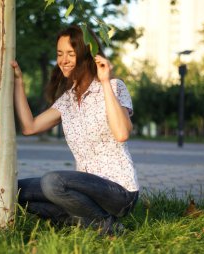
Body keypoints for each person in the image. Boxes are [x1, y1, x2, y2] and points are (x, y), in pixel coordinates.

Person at [11, 25, 139, 235]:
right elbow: (29, 127)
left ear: (86, 55)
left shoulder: (115, 86)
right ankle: (83, 219)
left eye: (71, 54)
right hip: (83, 191)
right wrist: (18, 82)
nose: (63, 60)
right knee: (14, 190)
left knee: (53, 182)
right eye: (60, 54)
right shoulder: (68, 99)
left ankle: (106, 225)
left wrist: (105, 81)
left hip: (119, 192)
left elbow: (122, 133)